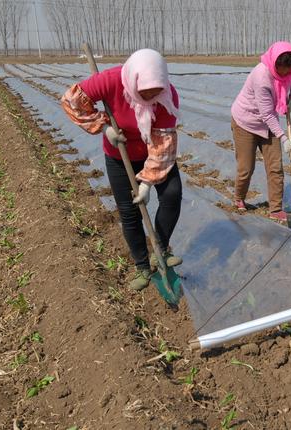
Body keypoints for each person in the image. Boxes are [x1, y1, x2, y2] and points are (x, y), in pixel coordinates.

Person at [61, 48, 183, 291]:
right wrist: (103, 127)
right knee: (129, 212)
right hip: (120, 155)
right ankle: (142, 266)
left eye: (155, 91)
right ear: (134, 79)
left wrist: (147, 183)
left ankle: (159, 248)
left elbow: (163, 146)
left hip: (152, 152)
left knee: (172, 194)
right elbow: (71, 101)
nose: (150, 96)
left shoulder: (168, 97)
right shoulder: (110, 80)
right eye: (145, 91)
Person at [231, 41, 291, 223]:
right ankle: (239, 197)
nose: (286, 72)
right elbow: (267, 114)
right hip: (246, 122)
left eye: (289, 69)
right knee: (246, 168)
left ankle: (275, 209)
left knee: (276, 167)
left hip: (268, 124)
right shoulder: (262, 76)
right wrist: (284, 138)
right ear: (274, 62)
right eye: (282, 68)